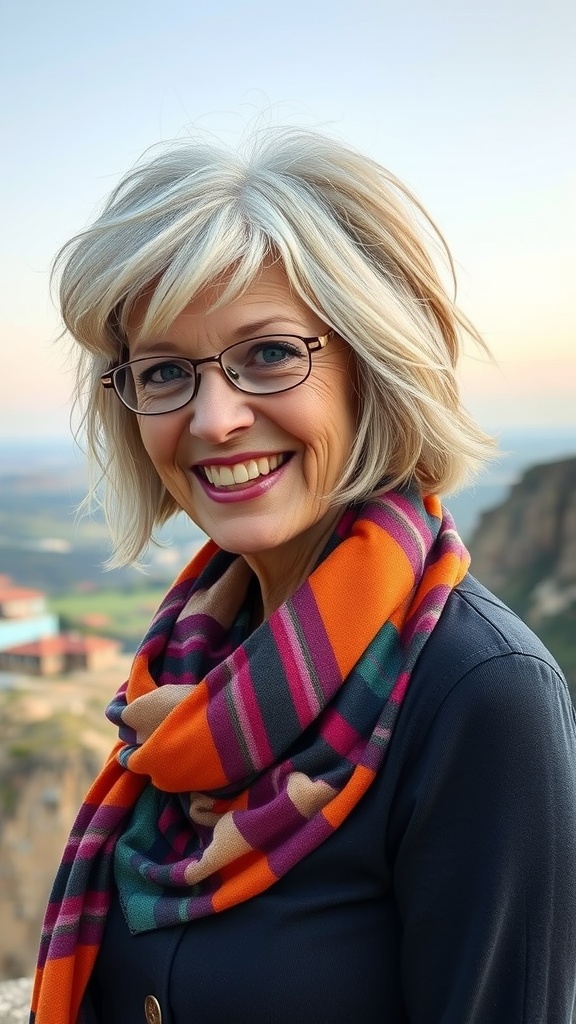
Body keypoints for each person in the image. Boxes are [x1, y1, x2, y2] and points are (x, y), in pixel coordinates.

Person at [31, 127, 576, 1024]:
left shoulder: (480, 697)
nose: (214, 418)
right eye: (165, 370)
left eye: (271, 353)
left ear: (372, 365)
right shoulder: (189, 666)